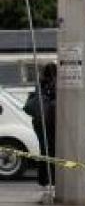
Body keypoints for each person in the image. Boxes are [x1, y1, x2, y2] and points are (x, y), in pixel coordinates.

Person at [25, 63, 57, 199]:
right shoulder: (53, 86)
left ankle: (44, 179)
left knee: (44, 149)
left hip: (38, 121)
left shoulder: (40, 84)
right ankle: (51, 179)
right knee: (51, 150)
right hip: (50, 121)